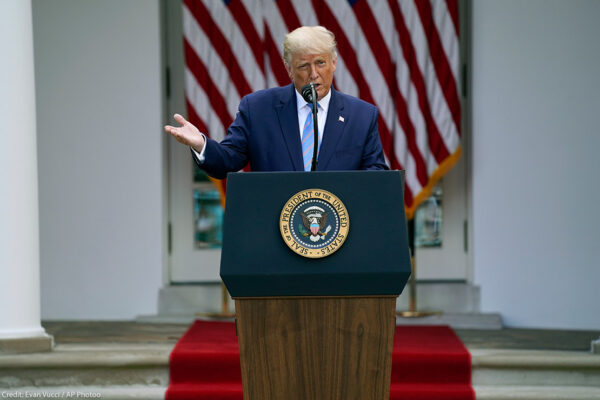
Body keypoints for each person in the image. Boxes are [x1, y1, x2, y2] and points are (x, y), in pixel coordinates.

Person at [164, 26, 388, 179]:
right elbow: (228, 161)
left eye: (320, 63)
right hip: (276, 234)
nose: (313, 74)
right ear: (289, 69)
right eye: (303, 66)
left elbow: (375, 175)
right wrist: (201, 144)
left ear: (334, 62)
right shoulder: (258, 109)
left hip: (338, 234)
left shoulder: (361, 115)